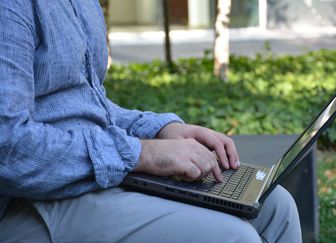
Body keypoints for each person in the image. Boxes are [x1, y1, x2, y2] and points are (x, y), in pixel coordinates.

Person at [0, 1, 301, 242]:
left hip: (94, 178)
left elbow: (87, 105)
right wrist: (144, 154)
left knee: (277, 206)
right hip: (29, 202)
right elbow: (9, 147)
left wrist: (163, 129)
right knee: (235, 237)